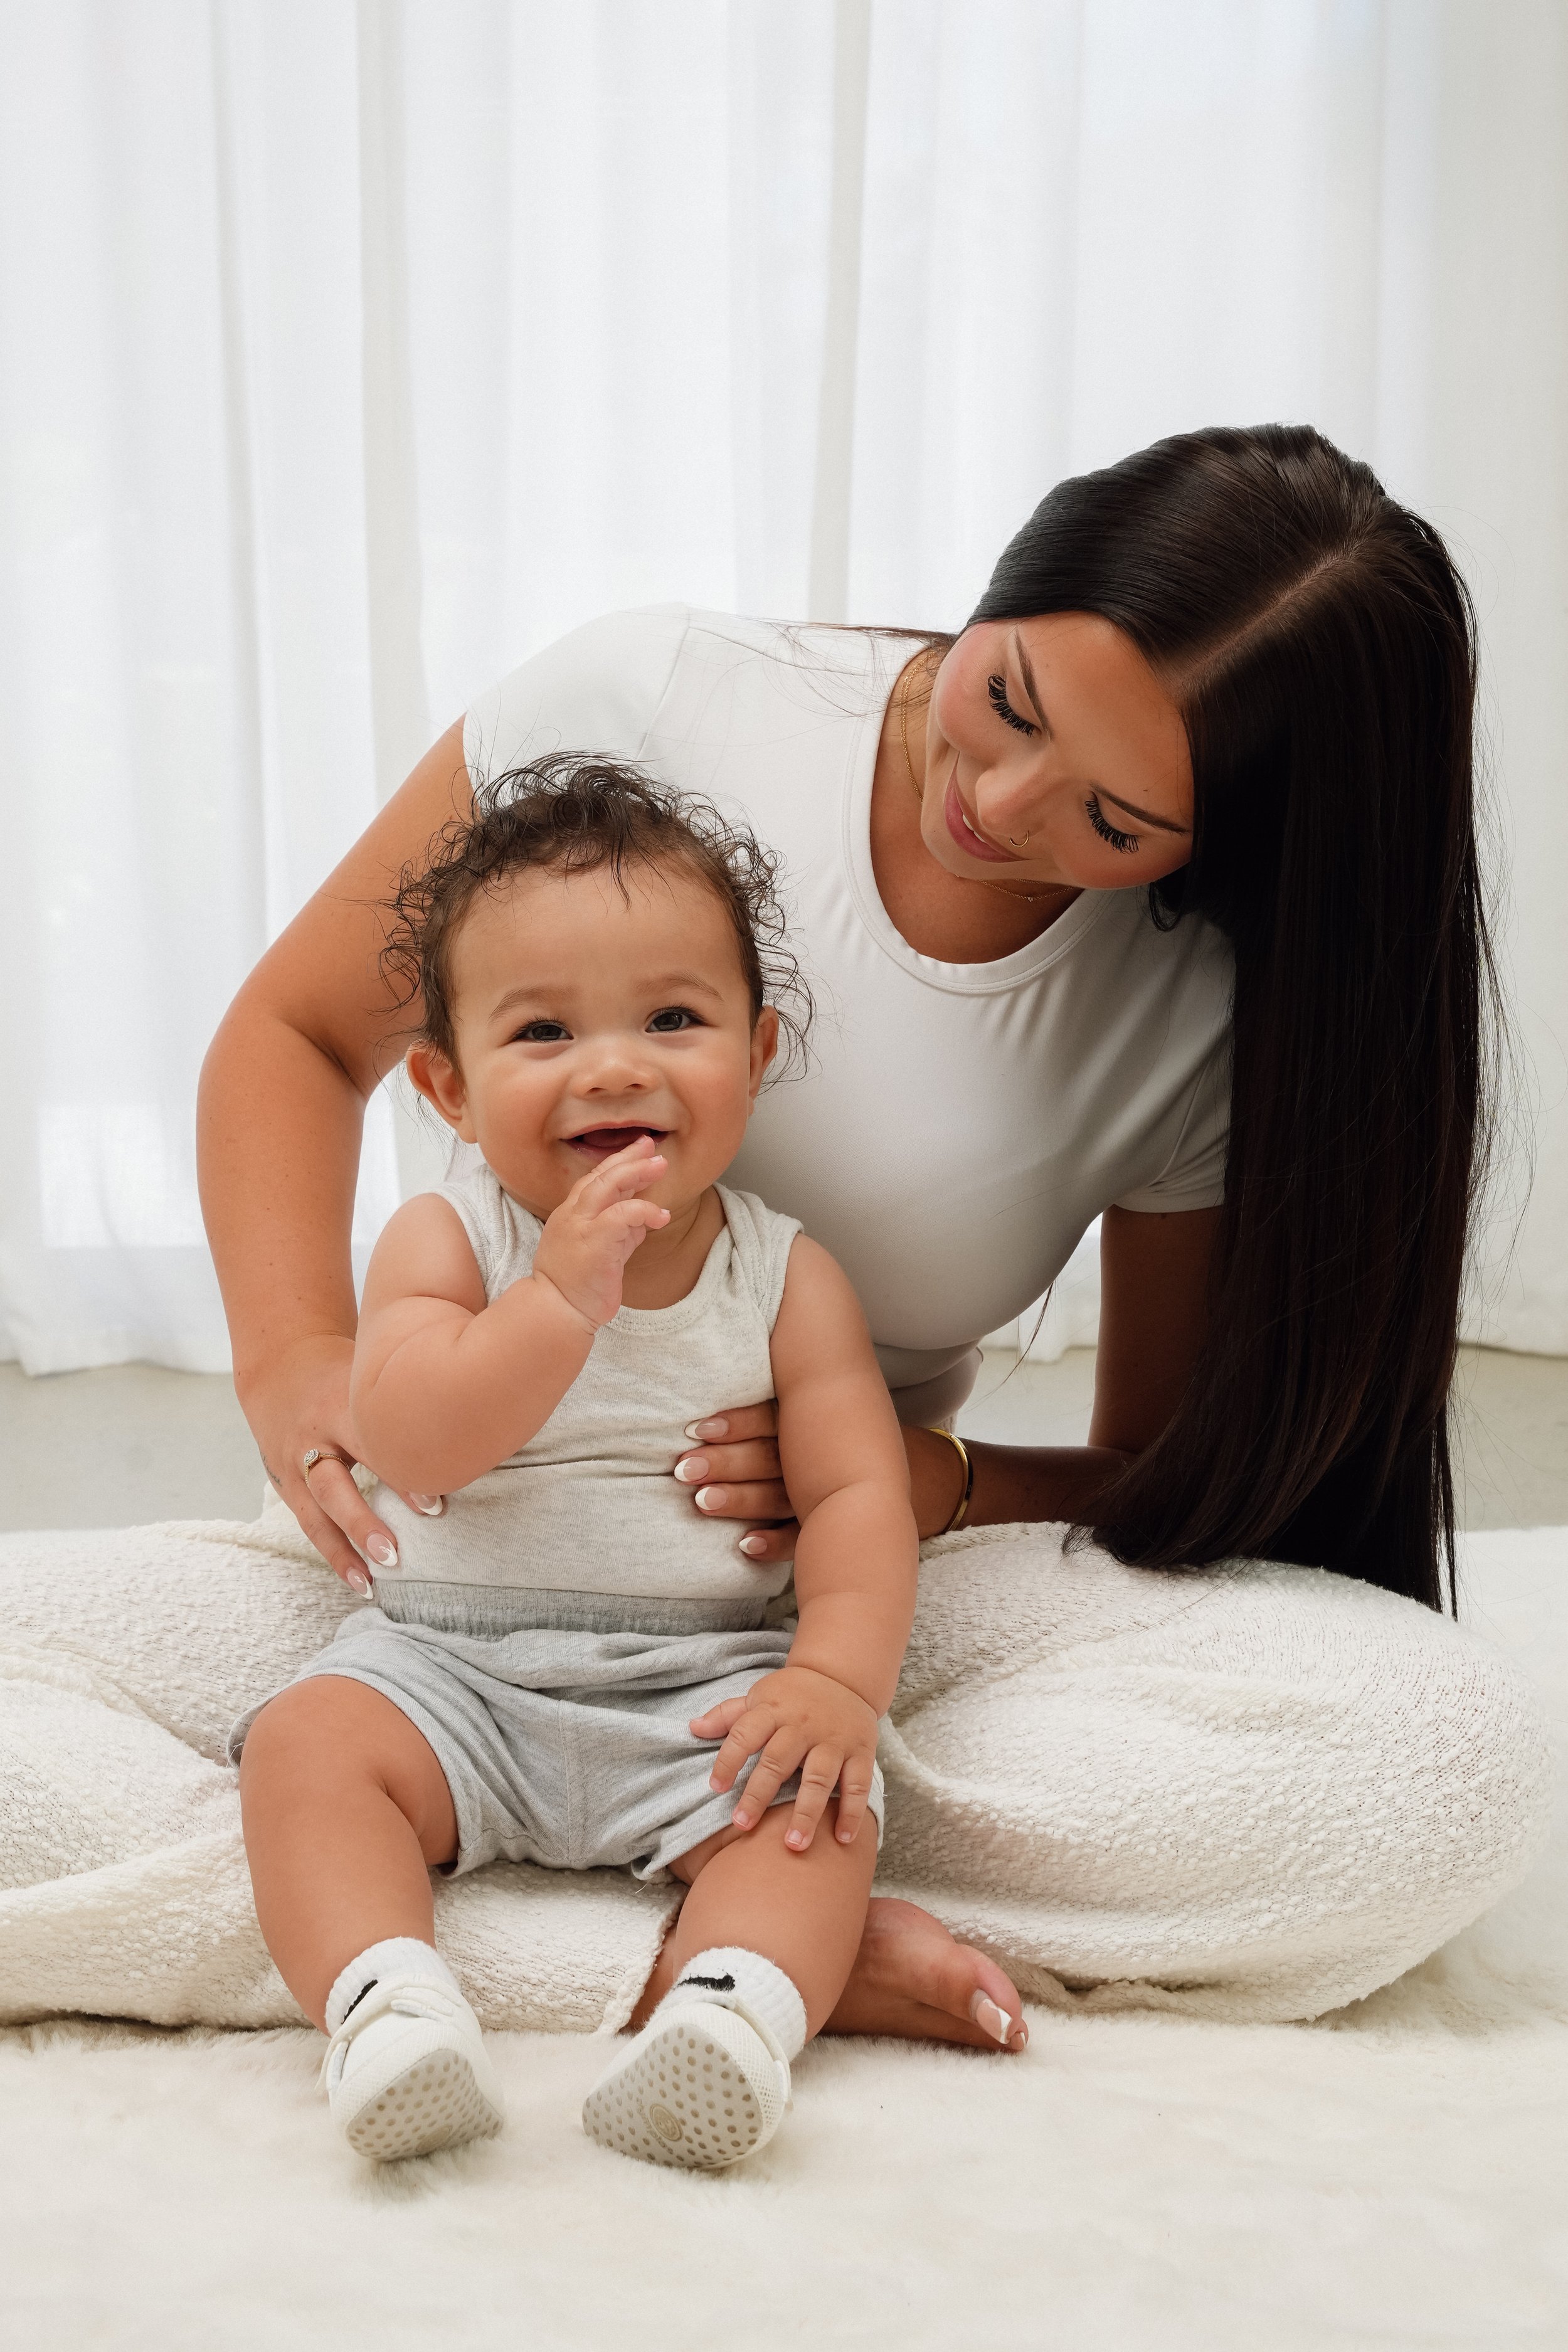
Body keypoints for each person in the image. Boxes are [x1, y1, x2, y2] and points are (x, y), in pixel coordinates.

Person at [178, 421, 1544, 2041]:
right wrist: (293, 1359)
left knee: (1427, 1760)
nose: (1000, 800)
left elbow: (1168, 1480)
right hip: (458, 1561)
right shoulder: (655, 697)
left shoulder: (1195, 1006)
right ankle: (752, 1950)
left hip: (824, 1604)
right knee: (251, 1739)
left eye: (1111, 820)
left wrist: (920, 1492)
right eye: (1008, 700)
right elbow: (297, 1030)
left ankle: (703, 1901)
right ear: (1012, 570)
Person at [231, 761, 918, 2168]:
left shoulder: (784, 1277)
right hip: (450, 1676)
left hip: (702, 1694)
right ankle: (387, 2002)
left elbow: (858, 1495)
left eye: (673, 1018)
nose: (615, 1064)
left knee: (819, 1814)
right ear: (450, 1089)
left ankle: (726, 2019)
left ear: (757, 1046)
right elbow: (414, 1440)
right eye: (542, 1030)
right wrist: (554, 1299)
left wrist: (834, 1683)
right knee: (304, 1750)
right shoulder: (447, 1241)